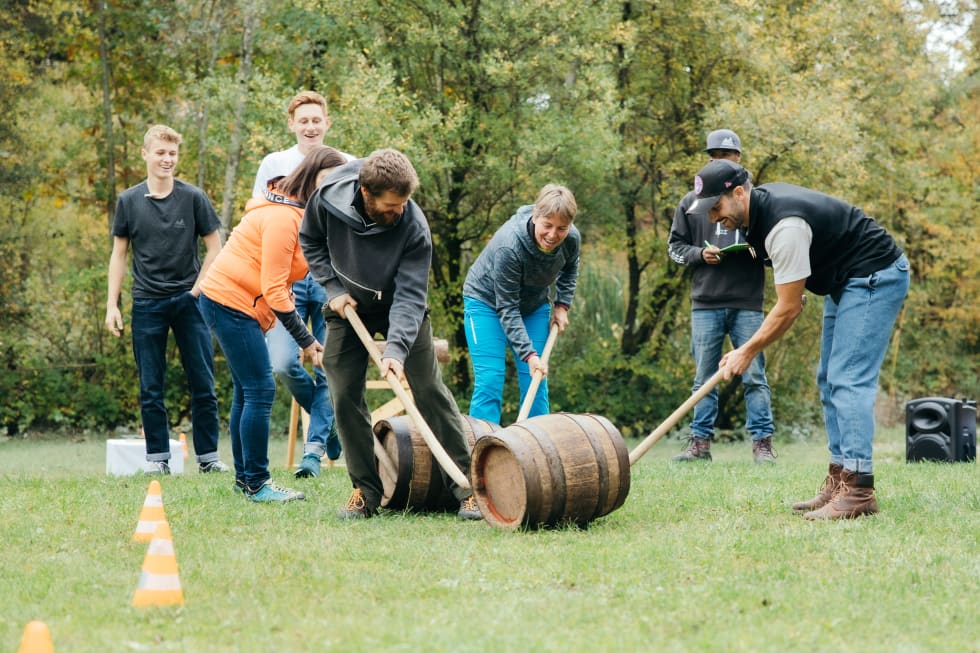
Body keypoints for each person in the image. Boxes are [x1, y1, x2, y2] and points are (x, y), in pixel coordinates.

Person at [687, 159, 910, 520]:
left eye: (716, 207)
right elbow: (795, 286)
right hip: (844, 281)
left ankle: (858, 490)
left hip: (874, 276)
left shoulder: (783, 226)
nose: (713, 218)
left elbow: (788, 309)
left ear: (739, 193)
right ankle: (840, 479)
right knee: (829, 379)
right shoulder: (757, 215)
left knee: (848, 379)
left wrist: (746, 350)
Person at [299, 148, 482, 521]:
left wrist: (395, 351)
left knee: (429, 389)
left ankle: (467, 488)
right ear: (366, 193)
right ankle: (365, 492)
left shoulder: (413, 226)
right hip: (347, 304)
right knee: (343, 389)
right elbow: (311, 241)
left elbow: (412, 296)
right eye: (391, 205)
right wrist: (333, 289)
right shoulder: (327, 197)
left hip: (400, 303)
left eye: (404, 203)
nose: (399, 211)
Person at [200, 145, 347, 502]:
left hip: (233, 302)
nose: (332, 189)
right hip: (230, 302)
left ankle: (245, 480)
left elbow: (282, 282)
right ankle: (257, 483)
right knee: (261, 390)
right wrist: (307, 339)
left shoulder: (300, 214)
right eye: (326, 181)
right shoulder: (285, 217)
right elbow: (273, 289)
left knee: (246, 391)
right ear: (309, 178)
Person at [105, 124, 229, 475]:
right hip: (146, 303)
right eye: (160, 152)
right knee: (151, 384)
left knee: (203, 381)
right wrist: (112, 305)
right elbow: (118, 254)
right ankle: (157, 459)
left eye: (172, 153)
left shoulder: (193, 197)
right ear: (145, 154)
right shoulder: (128, 201)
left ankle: (208, 458)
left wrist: (198, 289)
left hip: (190, 301)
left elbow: (215, 246)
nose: (167, 159)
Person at [253, 91, 354, 478]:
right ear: (291, 124)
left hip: (331, 277)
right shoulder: (274, 164)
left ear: (327, 122)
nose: (310, 126)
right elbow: (259, 216)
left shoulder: (346, 163)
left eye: (317, 120)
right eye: (303, 120)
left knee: (329, 366)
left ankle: (313, 452)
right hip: (287, 279)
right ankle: (328, 427)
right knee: (281, 362)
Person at [667, 130, 775, 463]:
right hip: (705, 304)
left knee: (755, 374)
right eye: (714, 155)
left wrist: (749, 252)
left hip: (747, 302)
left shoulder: (754, 200)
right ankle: (699, 444)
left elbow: (772, 253)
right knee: (703, 377)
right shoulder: (690, 202)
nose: (720, 160)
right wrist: (701, 255)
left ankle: (763, 445)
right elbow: (675, 249)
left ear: (738, 159)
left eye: (727, 156)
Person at [462, 184, 580, 424]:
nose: (553, 235)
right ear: (535, 215)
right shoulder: (510, 245)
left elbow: (570, 268)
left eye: (561, 228)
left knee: (536, 379)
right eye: (547, 225)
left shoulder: (571, 239)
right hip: (486, 304)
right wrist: (528, 354)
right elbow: (507, 308)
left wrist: (562, 305)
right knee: (491, 379)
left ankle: (538, 452)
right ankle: (480, 449)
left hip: (534, 305)